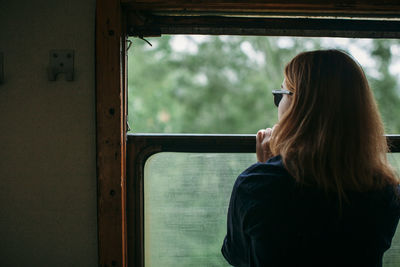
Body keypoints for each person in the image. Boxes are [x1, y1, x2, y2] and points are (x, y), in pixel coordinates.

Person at [221, 49, 400, 267]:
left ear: (300, 105)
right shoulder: (386, 191)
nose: (278, 105)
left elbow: (240, 257)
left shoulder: (256, 184)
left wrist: (268, 169)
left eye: (281, 94)